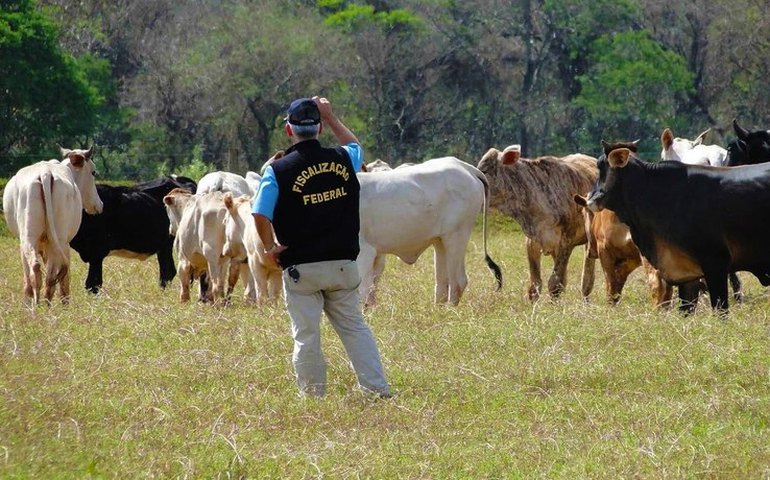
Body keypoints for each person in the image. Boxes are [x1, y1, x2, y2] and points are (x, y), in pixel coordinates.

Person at [252, 96, 391, 398]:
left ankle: (314, 397)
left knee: (306, 335)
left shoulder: (277, 171)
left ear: (289, 131)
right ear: (319, 129)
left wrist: (269, 247)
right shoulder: (343, 158)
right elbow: (356, 147)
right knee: (355, 328)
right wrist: (331, 117)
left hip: (302, 268)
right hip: (343, 264)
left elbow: (260, 213)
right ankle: (377, 390)